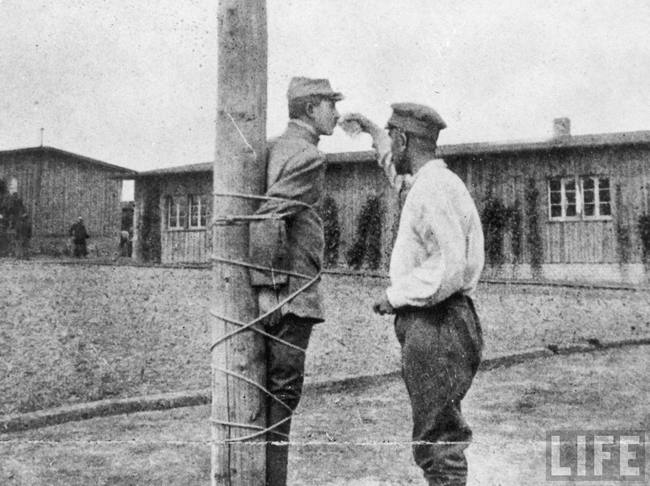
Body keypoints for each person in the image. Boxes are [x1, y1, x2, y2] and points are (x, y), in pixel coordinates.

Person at [344, 104, 485, 486]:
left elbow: (448, 264)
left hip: (438, 321)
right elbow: (396, 173)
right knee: (437, 435)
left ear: (403, 139)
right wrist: (374, 131)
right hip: (440, 320)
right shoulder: (430, 182)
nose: (389, 147)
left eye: (393, 138)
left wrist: (396, 295)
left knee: (438, 441)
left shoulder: (434, 188)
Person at [251, 76, 342, 486]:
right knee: (283, 397)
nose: (336, 114)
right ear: (309, 109)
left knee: (268, 396)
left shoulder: (274, 147)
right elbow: (270, 217)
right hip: (291, 297)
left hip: (281, 294)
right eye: (330, 105)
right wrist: (268, 288)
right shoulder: (308, 157)